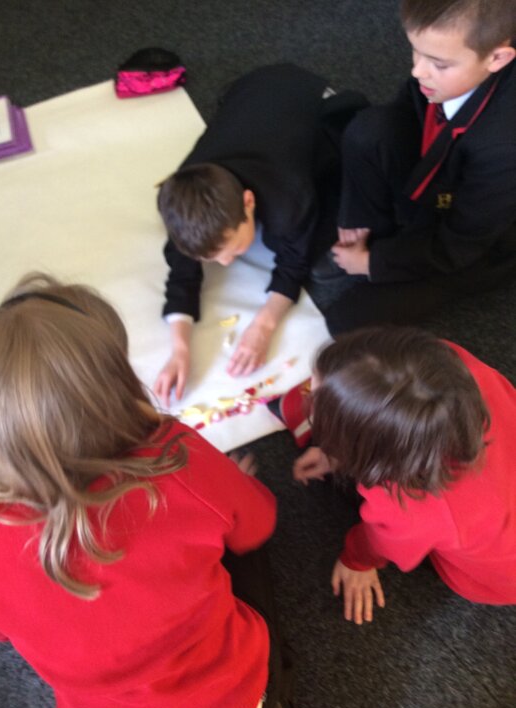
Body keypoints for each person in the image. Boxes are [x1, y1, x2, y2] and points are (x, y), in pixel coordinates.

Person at [0, 273, 290, 708]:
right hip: (229, 696)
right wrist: (225, 486)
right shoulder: (175, 457)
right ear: (117, 385)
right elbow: (257, 523)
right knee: (247, 553)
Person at [155, 62, 366, 406]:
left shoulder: (288, 198)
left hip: (317, 104)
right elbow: (180, 266)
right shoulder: (180, 194)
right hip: (257, 86)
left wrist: (264, 325)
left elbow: (293, 264)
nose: (225, 263)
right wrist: (180, 348)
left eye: (233, 249)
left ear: (249, 202)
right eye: (213, 258)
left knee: (319, 251)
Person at [314, 0, 516, 336]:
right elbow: (407, 110)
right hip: (444, 177)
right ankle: (376, 234)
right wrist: (358, 215)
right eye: (415, 52)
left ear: (497, 58)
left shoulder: (503, 150)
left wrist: (373, 262)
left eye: (438, 63)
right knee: (367, 129)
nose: (417, 71)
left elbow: (460, 245)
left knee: (345, 321)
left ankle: (383, 250)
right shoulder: (446, 72)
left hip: (480, 242)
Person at [293, 326, 516, 625]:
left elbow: (385, 541)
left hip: (497, 576)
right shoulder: (449, 364)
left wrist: (357, 560)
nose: (308, 392)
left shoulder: (413, 504)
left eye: (315, 397)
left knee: (348, 496)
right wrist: (339, 450)